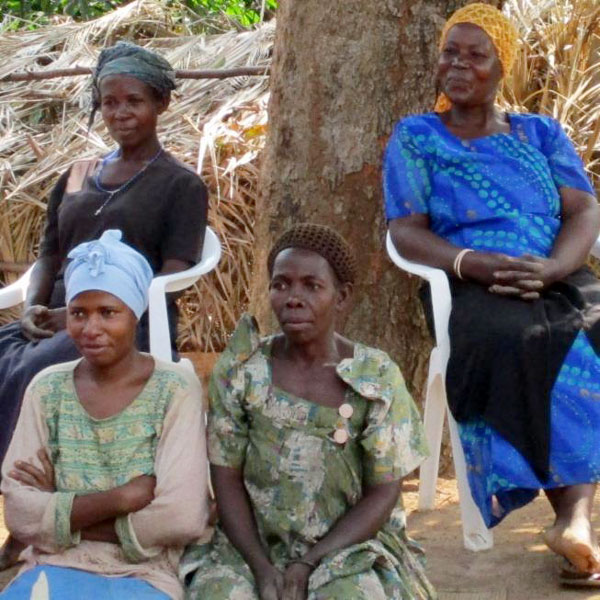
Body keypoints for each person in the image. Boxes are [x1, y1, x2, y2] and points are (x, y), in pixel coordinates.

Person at [384, 2, 600, 585]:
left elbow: (583, 209)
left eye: (476, 55)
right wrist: (471, 263)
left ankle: (576, 519)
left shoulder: (540, 132)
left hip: (551, 274)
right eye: (450, 52)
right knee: (524, 339)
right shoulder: (417, 137)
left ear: (503, 67)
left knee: (587, 335)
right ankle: (572, 517)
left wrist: (553, 269)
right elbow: (404, 229)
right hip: (465, 286)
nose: (458, 64)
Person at [181, 223, 436, 600]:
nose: (293, 298)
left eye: (311, 286)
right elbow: (227, 479)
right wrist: (261, 567)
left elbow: (383, 493)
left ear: (342, 296)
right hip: (250, 545)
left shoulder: (375, 377)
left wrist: (310, 562)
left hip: (349, 547)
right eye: (281, 284)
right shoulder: (241, 373)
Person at [0, 41, 208, 470]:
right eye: (109, 102)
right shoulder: (77, 174)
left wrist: (84, 317)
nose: (120, 112)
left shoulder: (181, 184)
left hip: (129, 323)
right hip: (58, 315)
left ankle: (24, 484)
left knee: (36, 369)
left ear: (161, 103)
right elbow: (50, 253)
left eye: (134, 100)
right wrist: (36, 307)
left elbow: (172, 274)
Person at [0, 229, 208, 599]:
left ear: (135, 315)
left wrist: (59, 509)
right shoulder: (48, 388)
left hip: (144, 572)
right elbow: (19, 511)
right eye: (78, 313)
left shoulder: (174, 390)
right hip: (52, 566)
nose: (91, 328)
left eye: (108, 313)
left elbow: (182, 516)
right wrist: (122, 499)